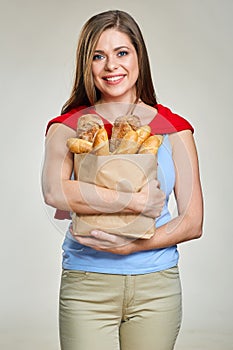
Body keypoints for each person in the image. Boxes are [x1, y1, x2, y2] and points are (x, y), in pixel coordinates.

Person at [42, 9, 203, 350]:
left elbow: (192, 221)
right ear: (87, 64)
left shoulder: (174, 129)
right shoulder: (67, 127)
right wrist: (136, 201)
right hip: (87, 285)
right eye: (98, 56)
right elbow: (55, 192)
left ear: (138, 57)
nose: (111, 66)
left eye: (121, 53)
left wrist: (133, 245)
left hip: (155, 287)